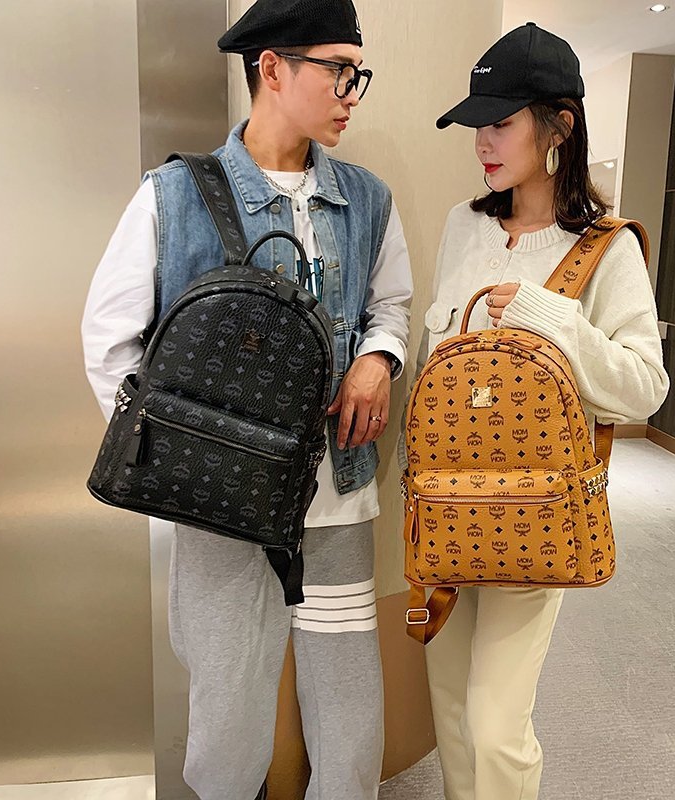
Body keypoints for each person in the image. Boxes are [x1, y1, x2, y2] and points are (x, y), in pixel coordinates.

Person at [81, 1, 413, 798]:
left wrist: (378, 359)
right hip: (221, 511)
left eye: (357, 74)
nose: (352, 93)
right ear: (273, 69)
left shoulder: (367, 199)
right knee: (228, 712)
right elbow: (110, 341)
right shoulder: (173, 195)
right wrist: (177, 457)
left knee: (348, 706)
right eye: (338, 71)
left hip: (337, 496)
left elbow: (391, 306)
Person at [417, 22, 669, 800]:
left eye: (500, 122)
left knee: (496, 726)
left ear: (559, 125)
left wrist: (550, 317)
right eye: (476, 125)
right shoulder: (463, 225)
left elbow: (643, 386)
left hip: (536, 511)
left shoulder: (606, 248)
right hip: (445, 503)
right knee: (451, 709)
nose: (482, 143)